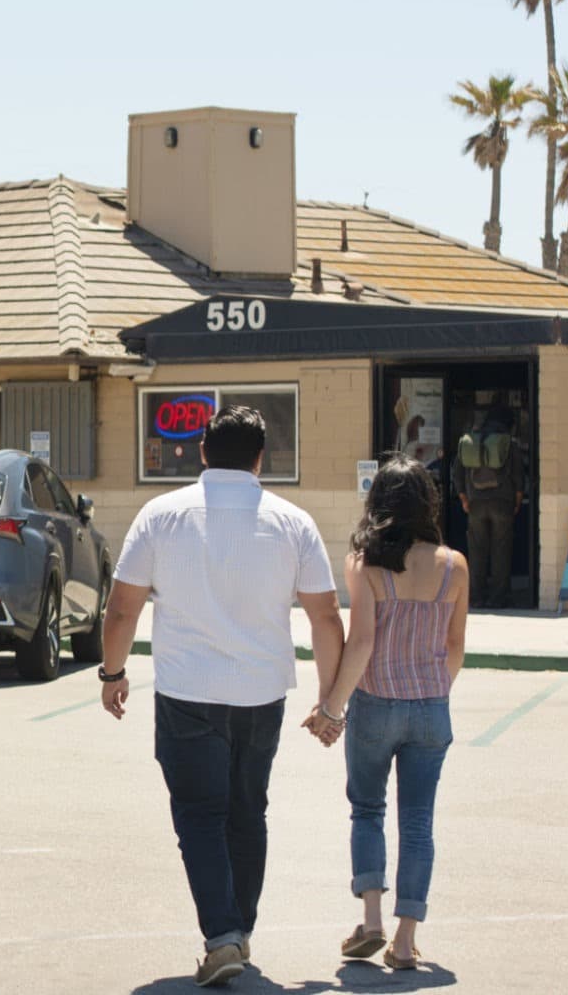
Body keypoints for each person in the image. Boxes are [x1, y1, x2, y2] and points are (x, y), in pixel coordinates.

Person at [100, 405, 347, 987]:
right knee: (246, 810)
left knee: (200, 815)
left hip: (188, 691)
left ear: (203, 453)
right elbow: (326, 617)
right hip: (263, 694)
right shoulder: (293, 521)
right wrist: (330, 698)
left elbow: (121, 608)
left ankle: (223, 936)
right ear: (262, 458)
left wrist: (113, 674)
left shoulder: (161, 515)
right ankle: (237, 930)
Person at [309, 456, 468, 972]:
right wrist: (431, 690)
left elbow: (362, 643)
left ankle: (372, 920)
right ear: (428, 503)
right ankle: (404, 941)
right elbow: (455, 648)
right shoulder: (455, 565)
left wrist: (331, 708)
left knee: (368, 809)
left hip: (376, 703)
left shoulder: (365, 562)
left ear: (378, 503)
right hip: (431, 708)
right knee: (419, 823)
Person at [454, 405, 523, 609]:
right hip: (502, 503)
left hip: (475, 504)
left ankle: (476, 597)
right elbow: (519, 477)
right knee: (501, 551)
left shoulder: (470, 442)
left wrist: (464, 499)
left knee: (477, 552)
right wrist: (517, 502)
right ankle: (498, 598)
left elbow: (457, 473)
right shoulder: (508, 444)